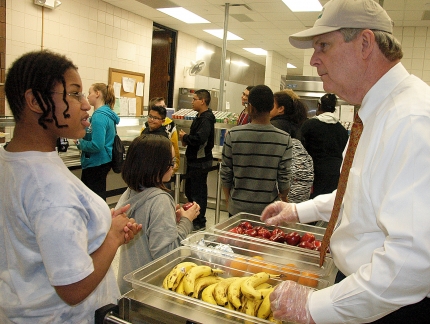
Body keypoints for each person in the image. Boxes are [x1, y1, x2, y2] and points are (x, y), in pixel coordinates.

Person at [261, 0, 430, 323]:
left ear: (365, 43)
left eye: (323, 45)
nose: (313, 59)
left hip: (391, 305)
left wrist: (314, 307)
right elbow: (358, 194)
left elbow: (412, 262)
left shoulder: (413, 119)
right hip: (363, 291)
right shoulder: (372, 112)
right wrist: (300, 210)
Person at [0, 50, 142, 323]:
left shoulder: (12, 161)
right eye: (74, 94)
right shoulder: (50, 189)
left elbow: (34, 234)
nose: (86, 105)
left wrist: (94, 225)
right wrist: (112, 237)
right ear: (35, 101)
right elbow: (73, 288)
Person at [115, 134, 200, 294]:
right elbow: (167, 256)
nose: (174, 166)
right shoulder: (160, 200)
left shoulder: (129, 193)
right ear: (155, 165)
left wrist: (171, 223)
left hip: (128, 286)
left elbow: (149, 234)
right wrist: (186, 221)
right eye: (171, 162)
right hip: (150, 290)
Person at [221, 85, 292, 216]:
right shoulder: (284, 139)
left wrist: (228, 199)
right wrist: (284, 196)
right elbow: (284, 177)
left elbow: (226, 172)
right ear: (271, 107)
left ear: (250, 107)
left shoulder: (233, 135)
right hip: (268, 209)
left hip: (238, 207)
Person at [179, 89, 215, 231]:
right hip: (193, 160)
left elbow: (201, 139)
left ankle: (199, 220)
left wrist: (186, 137)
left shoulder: (206, 119)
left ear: (203, 101)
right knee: (190, 190)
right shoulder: (199, 117)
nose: (192, 102)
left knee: (198, 192)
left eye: (194, 99)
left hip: (201, 161)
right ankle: (192, 216)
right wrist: (187, 140)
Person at [300, 93, 348, 198]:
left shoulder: (309, 125)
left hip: (315, 173)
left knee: (314, 204)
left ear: (319, 106)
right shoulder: (342, 130)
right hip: (336, 174)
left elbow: (300, 149)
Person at [76, 82, 119, 201]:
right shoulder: (106, 114)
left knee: (93, 199)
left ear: (97, 94)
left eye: (90, 93)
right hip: (103, 161)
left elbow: (97, 145)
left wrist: (80, 143)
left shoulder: (99, 116)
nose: (88, 96)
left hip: (96, 163)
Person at [270, 90, 313, 203]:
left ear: (281, 109)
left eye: (271, 104)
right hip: (300, 185)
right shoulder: (297, 126)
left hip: (283, 186)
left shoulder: (274, 127)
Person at [141, 98, 180, 174]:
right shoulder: (146, 128)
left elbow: (174, 147)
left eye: (163, 106)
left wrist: (175, 166)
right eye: (159, 107)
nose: (152, 120)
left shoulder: (169, 127)